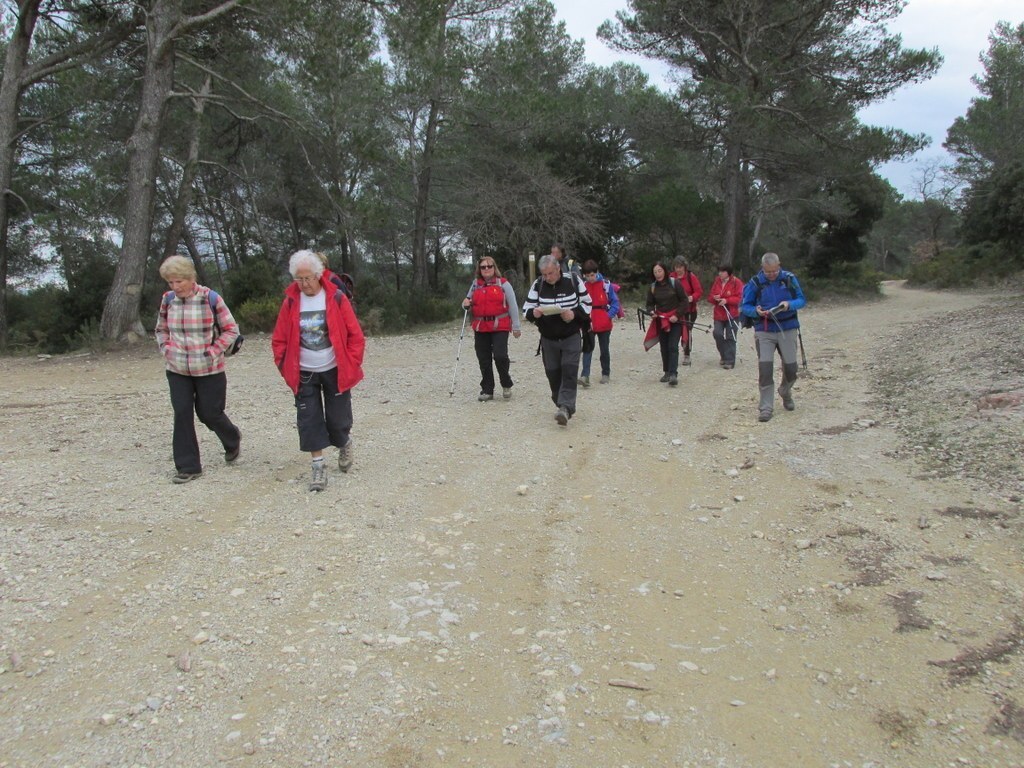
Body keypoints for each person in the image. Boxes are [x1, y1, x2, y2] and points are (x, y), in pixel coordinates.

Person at [272, 249, 365, 491]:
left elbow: (355, 334)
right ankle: (318, 465)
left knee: (337, 419)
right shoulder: (291, 301)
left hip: (335, 368)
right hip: (303, 371)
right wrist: (284, 365)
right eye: (298, 279)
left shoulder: (335, 298)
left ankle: (343, 441)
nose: (304, 284)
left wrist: (352, 361)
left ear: (319, 274)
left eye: (308, 278)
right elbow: (279, 339)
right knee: (309, 419)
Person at [155, 255, 242, 484]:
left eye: (179, 281)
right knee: (182, 413)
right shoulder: (168, 300)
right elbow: (161, 329)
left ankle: (232, 438)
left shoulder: (210, 298)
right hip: (177, 368)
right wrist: (167, 349)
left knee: (209, 413)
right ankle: (188, 466)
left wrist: (212, 352)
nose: (175, 287)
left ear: (191, 278)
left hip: (209, 369)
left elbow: (231, 330)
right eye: (171, 282)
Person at [523, 253, 592, 425]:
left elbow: (587, 304)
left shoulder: (574, 281)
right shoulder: (538, 285)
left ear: (558, 269)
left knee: (569, 370)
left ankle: (566, 408)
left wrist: (573, 314)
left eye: (551, 273)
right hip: (548, 338)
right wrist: (535, 313)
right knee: (553, 374)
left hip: (571, 336)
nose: (547, 277)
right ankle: (561, 402)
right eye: (544, 274)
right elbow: (526, 309)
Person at [739, 252, 807, 422]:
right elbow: (744, 306)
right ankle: (765, 407)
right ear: (762, 269)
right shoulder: (755, 283)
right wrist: (756, 311)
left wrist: (788, 305)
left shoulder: (789, 279)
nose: (771, 275)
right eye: (768, 272)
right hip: (764, 329)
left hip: (788, 327)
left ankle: (785, 390)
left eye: (774, 271)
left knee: (791, 368)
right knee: (765, 369)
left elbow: (801, 300)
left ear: (779, 266)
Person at [461, 256, 522, 401]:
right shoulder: (476, 284)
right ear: (479, 270)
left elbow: (512, 305)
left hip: (499, 325)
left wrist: (516, 326)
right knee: (483, 358)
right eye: (483, 267)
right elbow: (466, 303)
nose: (486, 269)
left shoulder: (504, 284)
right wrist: (465, 304)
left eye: (489, 266)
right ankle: (487, 389)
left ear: (494, 268)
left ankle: (506, 383)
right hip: (481, 326)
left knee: (500, 356)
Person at [644, 261, 687, 386]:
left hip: (675, 320)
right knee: (664, 346)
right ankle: (667, 372)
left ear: (665, 271)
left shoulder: (675, 283)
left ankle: (673, 374)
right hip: (661, 320)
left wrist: (676, 315)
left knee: (673, 346)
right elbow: (649, 304)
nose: (657, 274)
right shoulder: (652, 287)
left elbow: (684, 301)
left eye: (659, 271)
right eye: (655, 272)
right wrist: (651, 312)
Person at [578, 259, 619, 386]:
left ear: (596, 273)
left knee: (604, 349)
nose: (590, 278)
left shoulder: (606, 285)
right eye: (587, 275)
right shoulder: (583, 286)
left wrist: (608, 316)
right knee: (587, 349)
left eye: (592, 275)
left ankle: (605, 373)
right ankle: (585, 375)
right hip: (588, 322)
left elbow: (615, 303)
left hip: (604, 323)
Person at [707, 263, 744, 369]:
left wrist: (727, 300)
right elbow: (710, 297)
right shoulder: (717, 281)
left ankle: (730, 360)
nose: (720, 274)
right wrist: (715, 298)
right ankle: (724, 355)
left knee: (730, 336)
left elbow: (740, 298)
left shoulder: (736, 282)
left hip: (732, 314)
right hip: (719, 313)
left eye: (723, 271)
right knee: (717, 333)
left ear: (728, 273)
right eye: (719, 271)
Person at [670, 257, 703, 366]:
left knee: (687, 331)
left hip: (689, 310)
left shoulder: (690, 277)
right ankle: (673, 352)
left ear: (685, 267)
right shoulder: (671, 277)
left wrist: (691, 298)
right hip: (675, 310)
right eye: (676, 267)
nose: (678, 269)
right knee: (675, 332)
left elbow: (699, 291)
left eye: (680, 267)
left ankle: (687, 354)